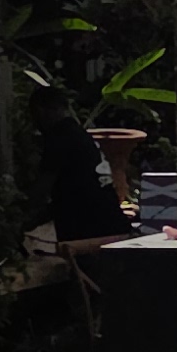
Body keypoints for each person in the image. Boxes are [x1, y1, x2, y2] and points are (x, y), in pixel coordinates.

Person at [31, 84, 130, 242]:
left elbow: (42, 190)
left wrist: (21, 216)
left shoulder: (59, 138)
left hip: (88, 229)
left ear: (42, 111)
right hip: (108, 220)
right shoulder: (79, 134)